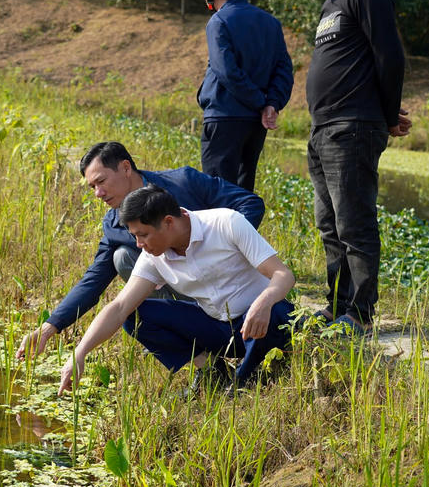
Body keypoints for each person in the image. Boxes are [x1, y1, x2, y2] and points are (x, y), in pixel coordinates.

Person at [16, 141, 263, 360]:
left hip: (232, 287)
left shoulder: (183, 182)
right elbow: (94, 280)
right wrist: (49, 328)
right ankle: (203, 362)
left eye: (101, 182)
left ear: (125, 168)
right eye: (92, 187)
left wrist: (226, 248)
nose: (98, 194)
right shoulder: (113, 224)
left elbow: (250, 203)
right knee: (122, 257)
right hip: (185, 290)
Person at [57, 184, 296, 392]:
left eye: (143, 235)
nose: (139, 244)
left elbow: (283, 275)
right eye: (135, 236)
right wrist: (80, 352)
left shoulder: (226, 223)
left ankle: (247, 379)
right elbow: (119, 307)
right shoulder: (153, 255)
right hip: (219, 328)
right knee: (135, 316)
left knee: (275, 311)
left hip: (263, 322)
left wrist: (263, 302)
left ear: (168, 222)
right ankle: (213, 372)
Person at [293, 0, 412, 334]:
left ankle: (360, 313)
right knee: (329, 224)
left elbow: (389, 57)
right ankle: (338, 305)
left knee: (354, 222)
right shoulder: (330, 7)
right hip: (323, 129)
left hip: (352, 128)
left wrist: (387, 113)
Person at [194, 0, 294, 192]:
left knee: (217, 192)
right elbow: (284, 70)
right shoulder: (271, 23)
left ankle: (221, 232)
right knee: (243, 189)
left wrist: (261, 103)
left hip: (223, 117)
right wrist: (271, 104)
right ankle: (243, 230)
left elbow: (226, 71)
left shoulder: (218, 22)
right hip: (255, 123)